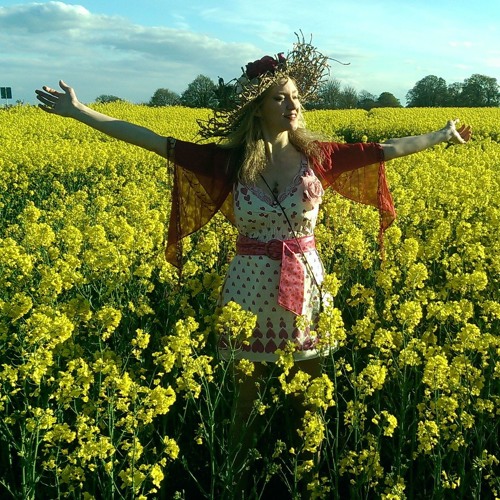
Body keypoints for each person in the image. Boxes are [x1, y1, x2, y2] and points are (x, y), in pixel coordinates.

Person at [36, 34, 471, 497]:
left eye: (296, 98)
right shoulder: (231, 161)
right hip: (247, 290)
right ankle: (238, 483)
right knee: (244, 401)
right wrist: (80, 112)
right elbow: (152, 140)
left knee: (312, 395)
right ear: (258, 108)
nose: (292, 106)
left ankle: (311, 483)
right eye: (280, 98)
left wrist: (442, 135)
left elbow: (384, 149)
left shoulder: (318, 156)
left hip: (305, 286)